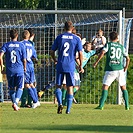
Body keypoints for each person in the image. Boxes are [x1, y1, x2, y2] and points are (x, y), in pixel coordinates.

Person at [50, 21, 83, 114]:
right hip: (70, 65)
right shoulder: (76, 39)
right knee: (70, 87)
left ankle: (60, 103)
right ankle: (68, 110)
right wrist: (80, 65)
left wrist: (55, 60)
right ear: (72, 28)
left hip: (60, 63)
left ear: (64, 28)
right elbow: (80, 53)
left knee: (58, 86)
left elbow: (52, 51)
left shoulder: (59, 37)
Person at [93, 31, 130, 110]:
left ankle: (101, 105)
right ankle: (127, 105)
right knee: (123, 87)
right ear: (117, 38)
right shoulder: (121, 46)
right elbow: (128, 58)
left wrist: (96, 62)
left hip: (111, 69)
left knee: (105, 86)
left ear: (109, 38)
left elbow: (103, 52)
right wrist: (126, 67)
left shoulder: (108, 45)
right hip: (120, 69)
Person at [62, 41, 96, 105]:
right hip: (73, 70)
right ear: (85, 46)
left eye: (90, 47)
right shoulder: (82, 51)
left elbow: (97, 50)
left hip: (76, 71)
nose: (89, 48)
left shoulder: (90, 53)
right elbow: (76, 57)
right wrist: (80, 66)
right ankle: (66, 98)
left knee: (72, 86)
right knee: (75, 86)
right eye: (88, 46)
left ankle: (65, 99)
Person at [0, 29, 26, 111]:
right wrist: (24, 68)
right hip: (19, 69)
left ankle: (15, 103)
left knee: (11, 88)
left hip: (10, 70)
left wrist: (2, 66)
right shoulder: (21, 45)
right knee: (20, 87)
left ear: (10, 36)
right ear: (17, 36)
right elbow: (24, 59)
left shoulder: (6, 45)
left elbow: (0, 56)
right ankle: (15, 103)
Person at [21, 30, 40, 109]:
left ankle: (35, 101)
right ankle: (36, 101)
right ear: (28, 37)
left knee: (26, 85)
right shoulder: (31, 44)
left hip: (25, 65)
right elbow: (35, 57)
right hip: (31, 65)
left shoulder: (21, 44)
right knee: (31, 84)